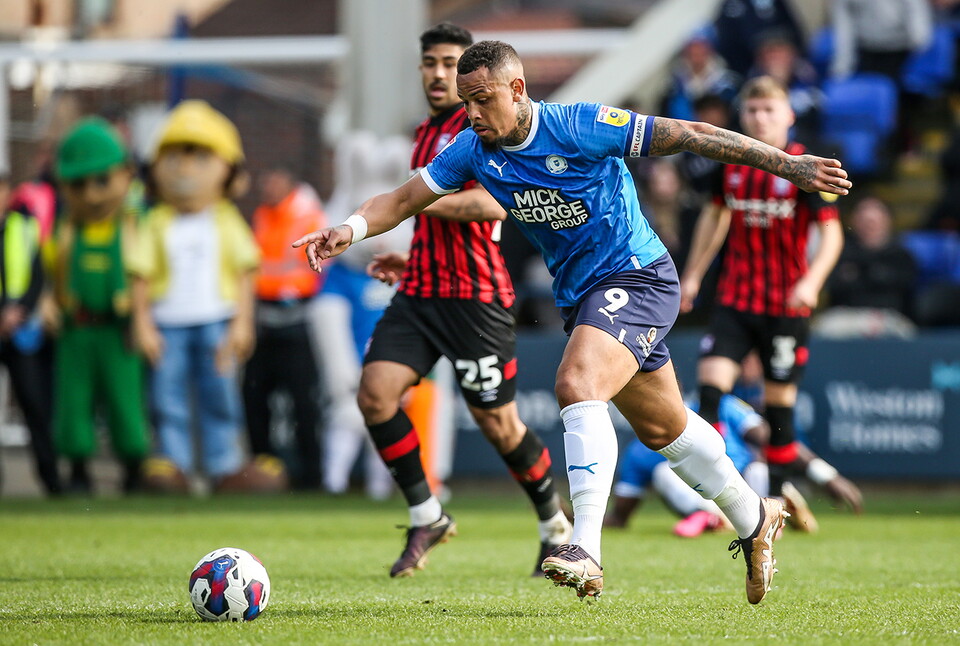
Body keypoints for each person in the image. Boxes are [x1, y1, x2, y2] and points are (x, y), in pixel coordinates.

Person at [294, 41, 851, 603]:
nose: (474, 114)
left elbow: (692, 134)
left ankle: (584, 545)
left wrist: (789, 165)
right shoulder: (471, 149)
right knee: (667, 430)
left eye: (483, 99)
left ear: (518, 89)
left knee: (576, 384)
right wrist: (348, 229)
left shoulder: (581, 125)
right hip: (582, 296)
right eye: (467, 103)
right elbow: (404, 197)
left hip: (638, 275)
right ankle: (755, 516)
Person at [333, 23, 573, 579]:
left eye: (449, 64)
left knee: (500, 426)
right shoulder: (424, 132)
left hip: (476, 299)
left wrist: (417, 202)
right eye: (430, 64)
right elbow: (418, 206)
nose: (439, 75)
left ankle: (554, 525)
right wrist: (412, 258)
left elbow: (493, 207)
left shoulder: (487, 133)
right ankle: (427, 514)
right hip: (421, 291)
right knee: (374, 395)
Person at [679, 77, 845, 517]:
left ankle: (778, 500)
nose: (759, 118)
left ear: (788, 116)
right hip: (736, 299)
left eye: (769, 110)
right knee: (711, 394)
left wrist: (811, 282)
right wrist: (693, 274)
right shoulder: (730, 163)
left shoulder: (807, 166)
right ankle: (719, 496)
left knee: (779, 412)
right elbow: (714, 217)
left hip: (785, 306)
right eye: (752, 111)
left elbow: (831, 234)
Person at [130, 101, 261, 493]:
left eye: (201, 157)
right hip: (168, 321)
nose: (186, 169)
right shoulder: (155, 222)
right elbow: (140, 274)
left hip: (216, 319)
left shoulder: (225, 219)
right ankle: (175, 466)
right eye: (174, 157)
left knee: (220, 394)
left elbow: (245, 271)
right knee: (168, 397)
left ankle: (225, 465)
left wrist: (242, 321)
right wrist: (142, 323)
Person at [48, 118, 151, 494]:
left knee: (125, 402)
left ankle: (134, 469)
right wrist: (47, 302)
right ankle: (77, 469)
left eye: (101, 181)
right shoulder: (64, 231)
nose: (91, 194)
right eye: (78, 184)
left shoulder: (134, 225)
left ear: (125, 175)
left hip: (118, 331)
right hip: (75, 329)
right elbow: (47, 272)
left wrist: (141, 317)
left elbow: (147, 274)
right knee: (73, 402)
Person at [242, 166, 326, 490]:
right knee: (255, 397)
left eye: (274, 179)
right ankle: (263, 472)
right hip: (265, 319)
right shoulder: (264, 215)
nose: (268, 185)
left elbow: (310, 268)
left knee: (303, 403)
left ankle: (311, 478)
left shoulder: (306, 214)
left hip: (297, 319)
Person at [0, 175, 61, 496]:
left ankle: (52, 481)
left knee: (36, 405)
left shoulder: (24, 226)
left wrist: (16, 310)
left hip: (20, 329)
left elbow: (37, 276)